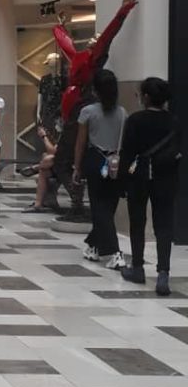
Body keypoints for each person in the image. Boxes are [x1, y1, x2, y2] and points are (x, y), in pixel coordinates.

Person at [52, 0, 137, 220]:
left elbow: (107, 36)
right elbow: (65, 43)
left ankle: (78, 203)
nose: (93, 41)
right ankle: (78, 201)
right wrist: (59, 27)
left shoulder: (90, 61)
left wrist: (123, 11)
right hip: (75, 110)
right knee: (64, 161)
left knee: (64, 161)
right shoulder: (81, 59)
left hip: (79, 109)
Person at [119, 77, 182, 296]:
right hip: (166, 177)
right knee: (164, 225)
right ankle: (163, 272)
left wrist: (122, 182)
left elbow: (126, 153)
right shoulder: (173, 121)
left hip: (139, 176)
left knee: (137, 220)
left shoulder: (135, 120)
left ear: (146, 97)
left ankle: (137, 268)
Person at [74, 69, 126, 270]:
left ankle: (115, 252)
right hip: (116, 161)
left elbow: (80, 142)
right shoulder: (122, 113)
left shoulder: (87, 112)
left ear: (95, 90)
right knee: (107, 208)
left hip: (95, 159)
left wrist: (76, 168)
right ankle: (93, 246)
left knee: (99, 208)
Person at [21, 125, 61, 213]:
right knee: (44, 166)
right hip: (62, 164)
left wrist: (44, 136)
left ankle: (36, 168)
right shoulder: (63, 133)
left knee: (48, 159)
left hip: (72, 165)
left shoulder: (71, 132)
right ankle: (38, 205)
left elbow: (53, 151)